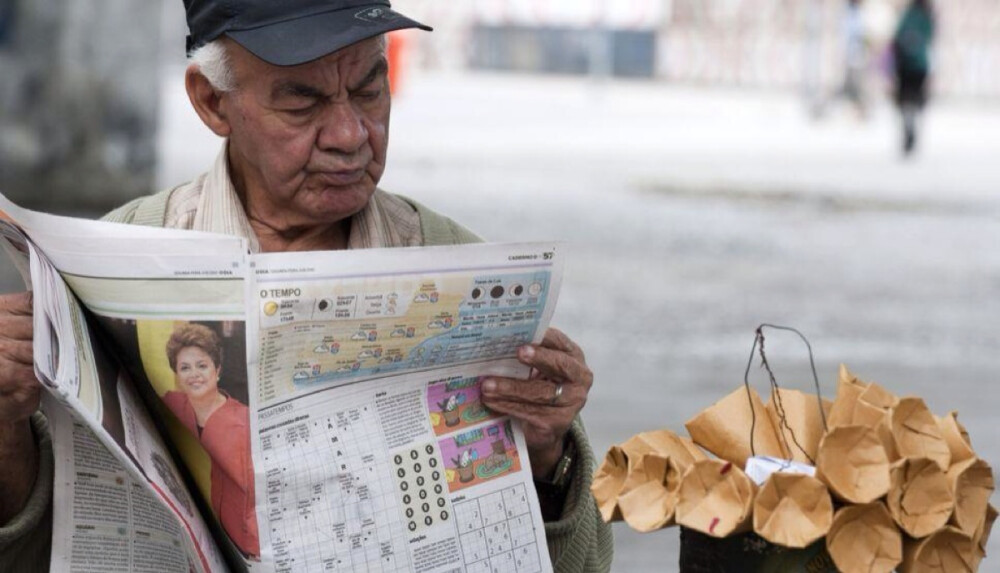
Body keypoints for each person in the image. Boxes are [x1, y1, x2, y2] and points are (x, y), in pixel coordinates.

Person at [0, 2, 613, 572]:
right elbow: (37, 547)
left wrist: (545, 453)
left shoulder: (460, 267)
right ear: (212, 102)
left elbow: (587, 562)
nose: (351, 134)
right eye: (303, 102)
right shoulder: (112, 263)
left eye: (370, 88)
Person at [163, 323, 258, 558]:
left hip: (242, 546)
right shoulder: (171, 404)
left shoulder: (246, 422)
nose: (194, 374)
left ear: (217, 370)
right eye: (185, 367)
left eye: (202, 366)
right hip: (191, 534)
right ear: (176, 375)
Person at [892, 0, 935, 155]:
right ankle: (911, 127)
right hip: (919, 66)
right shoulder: (927, 16)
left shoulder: (909, 15)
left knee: (905, 102)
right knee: (915, 101)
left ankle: (909, 127)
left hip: (907, 65)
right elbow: (930, 38)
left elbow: (897, 37)